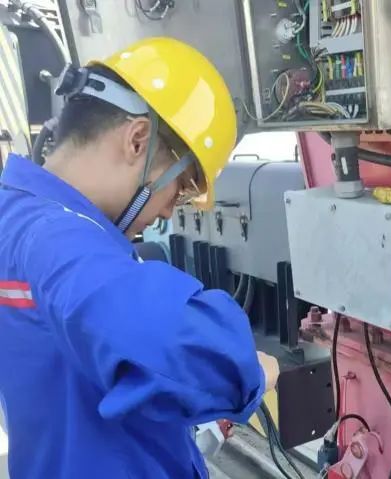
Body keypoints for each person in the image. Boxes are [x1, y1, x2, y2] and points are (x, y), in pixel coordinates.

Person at [0, 37, 280, 478]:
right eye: (182, 186)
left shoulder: (14, 212)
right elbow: (190, 349)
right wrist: (252, 367)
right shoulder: (56, 238)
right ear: (137, 140)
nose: (169, 211)